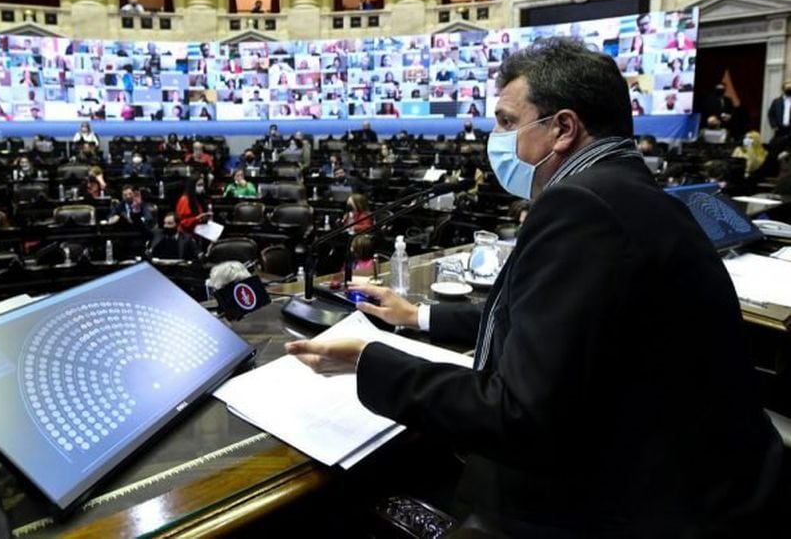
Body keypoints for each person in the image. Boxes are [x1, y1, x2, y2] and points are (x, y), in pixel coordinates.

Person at [286, 37, 783, 535]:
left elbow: (519, 414)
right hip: (702, 478)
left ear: (562, 128)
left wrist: (366, 360)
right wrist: (417, 316)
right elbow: (557, 322)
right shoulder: (627, 189)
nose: (496, 138)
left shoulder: (583, 208)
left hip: (646, 508)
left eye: (506, 122)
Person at [766, 80, 791, 151]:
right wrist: (774, 125)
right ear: (783, 89)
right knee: (777, 148)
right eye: (787, 89)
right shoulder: (777, 101)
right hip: (780, 130)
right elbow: (771, 114)